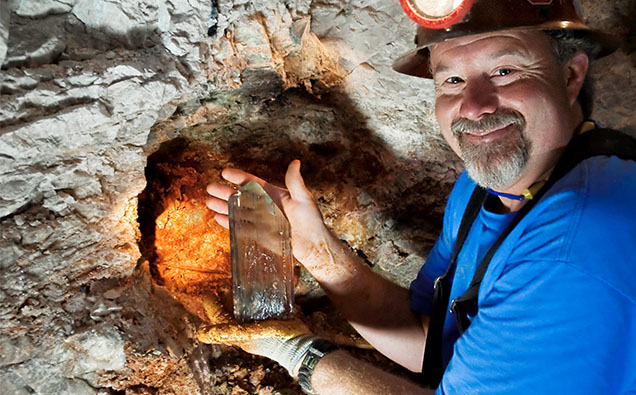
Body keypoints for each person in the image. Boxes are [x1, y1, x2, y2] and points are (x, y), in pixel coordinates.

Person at [205, 0, 636, 393]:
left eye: (505, 71)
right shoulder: (483, 189)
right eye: (452, 79)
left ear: (570, 76)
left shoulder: (576, 242)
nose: (474, 105)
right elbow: (429, 338)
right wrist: (319, 253)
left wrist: (297, 353)